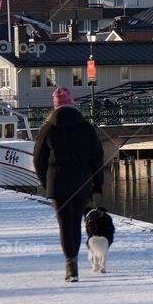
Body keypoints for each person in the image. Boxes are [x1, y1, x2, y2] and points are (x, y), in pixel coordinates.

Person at [33, 87, 105, 283]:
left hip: (57, 183)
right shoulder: (86, 127)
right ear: (72, 103)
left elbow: (38, 159)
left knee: (64, 224)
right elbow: (97, 158)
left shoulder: (48, 128)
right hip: (82, 182)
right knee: (75, 223)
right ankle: (73, 264)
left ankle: (70, 267)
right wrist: (97, 183)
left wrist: (46, 182)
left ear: (54, 106)